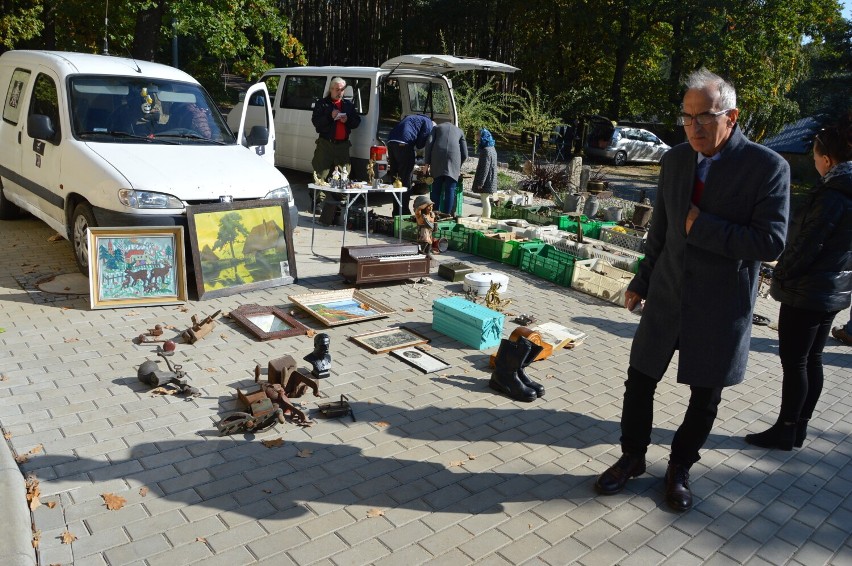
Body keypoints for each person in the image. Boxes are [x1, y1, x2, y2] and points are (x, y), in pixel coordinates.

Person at [593, 68, 790, 512]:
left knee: (705, 396)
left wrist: (705, 227)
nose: (694, 127)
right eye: (686, 117)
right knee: (639, 380)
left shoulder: (766, 168)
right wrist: (641, 281)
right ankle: (632, 457)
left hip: (721, 306)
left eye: (704, 117)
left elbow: (771, 241)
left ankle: (680, 467)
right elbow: (660, 231)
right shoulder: (676, 160)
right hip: (667, 293)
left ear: (732, 116)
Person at [745, 114, 852, 450]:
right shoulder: (845, 188)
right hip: (834, 289)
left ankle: (787, 428)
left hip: (809, 291)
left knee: (796, 362)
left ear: (827, 159)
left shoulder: (834, 193)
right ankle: (798, 428)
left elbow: (810, 243)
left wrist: (782, 271)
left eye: (816, 158)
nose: (815, 164)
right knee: (812, 358)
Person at [311, 78, 361, 205]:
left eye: (342, 89)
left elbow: (356, 122)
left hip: (342, 145)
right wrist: (330, 116)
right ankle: (317, 203)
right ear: (331, 89)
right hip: (326, 144)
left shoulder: (348, 105)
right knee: (321, 173)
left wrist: (347, 120)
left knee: (343, 174)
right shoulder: (322, 104)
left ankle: (342, 200)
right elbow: (316, 123)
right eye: (337, 89)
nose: (340, 92)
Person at [386, 114, 434, 216]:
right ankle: (404, 212)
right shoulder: (429, 123)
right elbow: (421, 143)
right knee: (406, 179)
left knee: (396, 179)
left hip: (391, 142)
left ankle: (396, 211)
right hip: (404, 143)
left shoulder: (415, 118)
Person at [426, 121, 468, 215]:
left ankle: (434, 214)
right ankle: (447, 215)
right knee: (450, 190)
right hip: (453, 162)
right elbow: (465, 154)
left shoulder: (436, 128)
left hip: (437, 161)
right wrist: (458, 166)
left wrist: (426, 164)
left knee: (436, 190)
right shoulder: (460, 131)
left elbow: (429, 144)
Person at [472, 128, 498, 219]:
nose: (477, 140)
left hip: (487, 180)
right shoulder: (492, 148)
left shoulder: (486, 150)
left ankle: (486, 217)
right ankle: (485, 216)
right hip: (491, 179)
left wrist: (481, 183)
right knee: (485, 198)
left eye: (478, 138)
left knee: (484, 199)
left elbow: (485, 168)